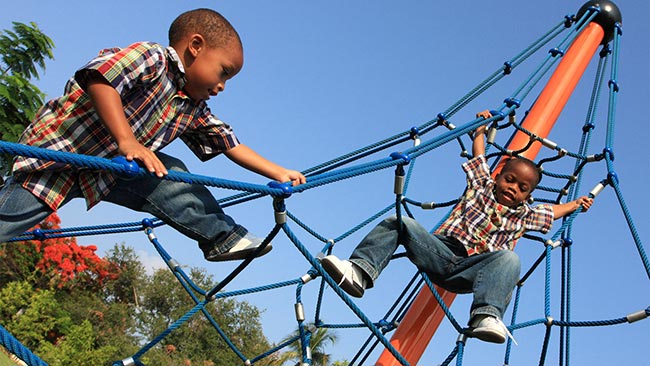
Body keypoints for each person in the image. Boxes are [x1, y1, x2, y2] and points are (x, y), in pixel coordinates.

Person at [0, 8, 305, 262]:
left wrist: (278, 172)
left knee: (172, 175)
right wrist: (128, 140)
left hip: (108, 173)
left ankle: (222, 237)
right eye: (223, 71)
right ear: (196, 46)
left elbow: (229, 144)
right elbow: (100, 78)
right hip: (56, 163)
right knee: (7, 219)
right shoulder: (153, 59)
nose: (222, 85)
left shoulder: (193, 108)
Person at [320, 113, 593, 344]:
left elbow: (551, 212)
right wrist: (480, 132)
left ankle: (486, 315)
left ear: (528, 195)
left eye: (523, 188)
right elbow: (479, 159)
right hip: (440, 252)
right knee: (400, 221)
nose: (513, 189)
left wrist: (574, 204)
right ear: (498, 177)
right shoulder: (481, 187)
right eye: (510, 180)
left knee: (510, 259)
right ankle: (359, 271)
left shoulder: (524, 215)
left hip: (472, 271)